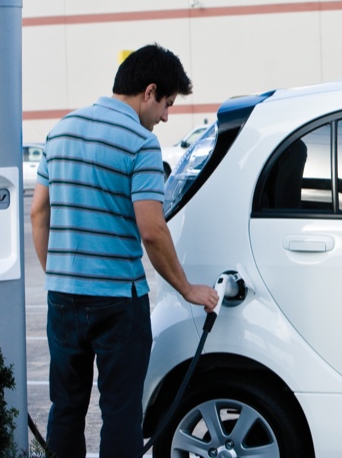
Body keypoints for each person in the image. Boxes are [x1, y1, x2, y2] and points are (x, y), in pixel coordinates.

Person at [30, 43, 218, 458]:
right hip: (118, 303)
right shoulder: (140, 143)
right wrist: (188, 289)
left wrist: (58, 274)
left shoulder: (60, 130)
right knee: (119, 411)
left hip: (62, 298)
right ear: (149, 92)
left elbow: (38, 212)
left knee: (66, 408)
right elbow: (151, 229)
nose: (166, 117)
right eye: (167, 104)